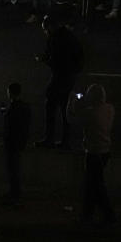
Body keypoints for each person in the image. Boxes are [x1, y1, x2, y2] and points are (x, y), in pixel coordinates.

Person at [35, 16, 82, 148]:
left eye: (45, 29)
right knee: (64, 109)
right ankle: (65, 140)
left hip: (60, 76)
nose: (45, 32)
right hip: (70, 76)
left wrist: (45, 60)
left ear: (50, 27)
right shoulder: (69, 36)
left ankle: (49, 138)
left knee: (50, 105)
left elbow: (55, 61)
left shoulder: (56, 39)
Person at [72, 84, 116, 225]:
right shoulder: (109, 109)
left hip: (93, 152)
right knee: (93, 185)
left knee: (95, 186)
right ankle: (90, 214)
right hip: (105, 151)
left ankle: (105, 214)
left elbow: (71, 118)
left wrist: (72, 101)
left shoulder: (90, 113)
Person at [2, 82, 31, 202]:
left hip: (12, 143)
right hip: (20, 142)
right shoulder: (25, 107)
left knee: (12, 169)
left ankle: (14, 194)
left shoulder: (13, 108)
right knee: (16, 169)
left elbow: (9, 126)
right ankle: (15, 193)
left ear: (11, 92)